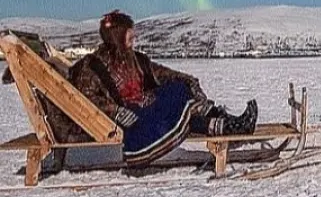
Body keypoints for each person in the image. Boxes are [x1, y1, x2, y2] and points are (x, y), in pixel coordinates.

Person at [68, 10, 258, 167]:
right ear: (116, 36)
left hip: (146, 106)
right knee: (179, 106)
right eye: (129, 36)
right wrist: (115, 111)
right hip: (130, 118)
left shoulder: (136, 59)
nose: (133, 39)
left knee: (180, 89)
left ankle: (228, 124)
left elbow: (161, 73)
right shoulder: (93, 65)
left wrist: (189, 80)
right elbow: (84, 98)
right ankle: (230, 126)